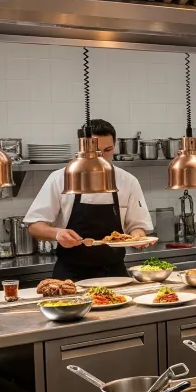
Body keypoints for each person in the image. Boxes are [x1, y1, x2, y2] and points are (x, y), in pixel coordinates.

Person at [25, 119, 154, 281]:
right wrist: (57, 233)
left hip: (115, 274)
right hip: (71, 276)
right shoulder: (60, 178)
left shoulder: (128, 181)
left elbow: (137, 226)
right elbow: (35, 226)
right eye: (95, 151)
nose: (101, 157)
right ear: (83, 147)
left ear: (114, 146)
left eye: (108, 150)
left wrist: (137, 236)